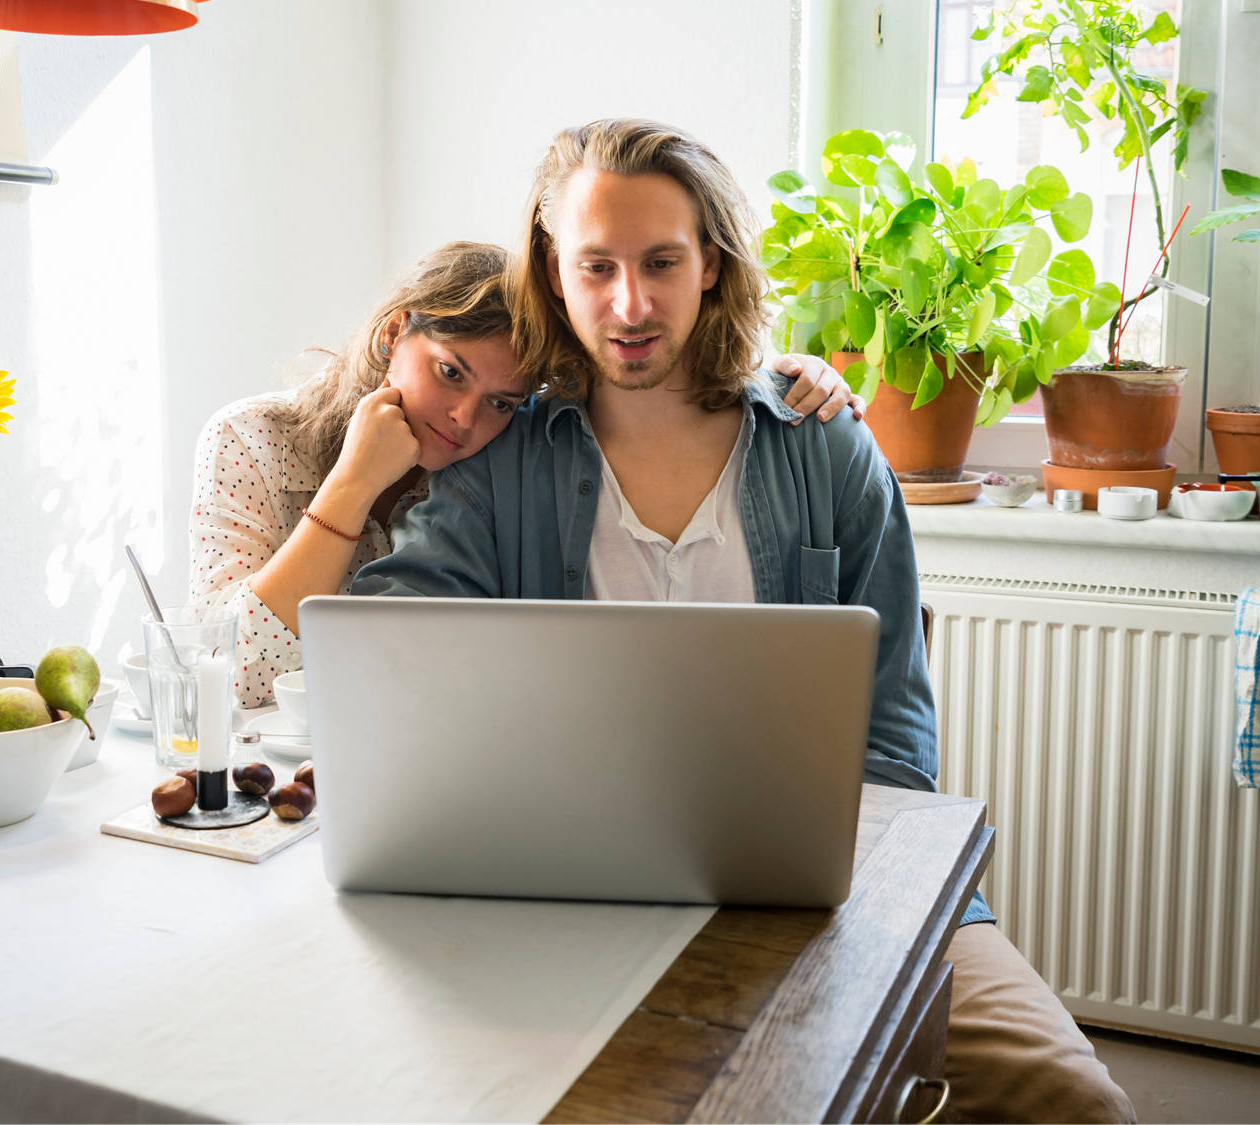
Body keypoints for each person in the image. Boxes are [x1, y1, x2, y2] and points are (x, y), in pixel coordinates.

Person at [353, 119, 1134, 1124]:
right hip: (569, 893)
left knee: (1070, 1100)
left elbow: (894, 742)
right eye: (596, 267)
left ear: (710, 263)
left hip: (833, 884)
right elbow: (386, 657)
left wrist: (813, 878)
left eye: (661, 262)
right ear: (553, 273)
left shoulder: (827, 449)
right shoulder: (503, 465)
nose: (629, 305)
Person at [188, 241, 860, 708]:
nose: (461, 417)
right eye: (449, 372)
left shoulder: (493, 471)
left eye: (501, 402)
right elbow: (227, 673)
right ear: (394, 335)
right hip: (255, 781)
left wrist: (777, 372)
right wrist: (352, 485)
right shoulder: (251, 442)